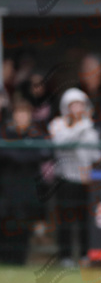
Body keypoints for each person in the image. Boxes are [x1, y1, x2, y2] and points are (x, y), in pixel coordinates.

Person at [48, 88, 101, 266]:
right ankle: (65, 256)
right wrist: (82, 126)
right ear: (66, 107)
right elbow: (61, 144)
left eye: (80, 104)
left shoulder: (90, 128)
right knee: (65, 219)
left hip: (85, 180)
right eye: (73, 105)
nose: (77, 108)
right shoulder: (58, 124)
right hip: (65, 179)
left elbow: (96, 154)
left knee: (84, 220)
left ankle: (84, 255)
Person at [0, 97, 50, 264]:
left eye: (25, 113)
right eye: (18, 113)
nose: (22, 117)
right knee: (6, 222)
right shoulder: (5, 132)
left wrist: (16, 154)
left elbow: (44, 153)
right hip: (7, 189)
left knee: (24, 224)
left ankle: (19, 260)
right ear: (13, 115)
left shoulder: (37, 134)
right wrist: (24, 155)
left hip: (29, 188)